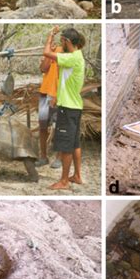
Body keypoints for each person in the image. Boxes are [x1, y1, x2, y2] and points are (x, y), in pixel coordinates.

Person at [43, 26, 85, 190]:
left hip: (67, 108)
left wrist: (50, 36)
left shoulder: (71, 58)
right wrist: (56, 96)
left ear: (67, 41)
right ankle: (78, 176)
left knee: (66, 146)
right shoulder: (77, 55)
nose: (61, 44)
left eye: (62, 41)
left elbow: (46, 53)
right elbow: (64, 79)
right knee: (75, 144)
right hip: (74, 105)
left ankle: (64, 181)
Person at [36, 38, 63, 169]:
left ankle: (59, 157)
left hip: (59, 94)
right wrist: (48, 54)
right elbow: (43, 69)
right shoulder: (50, 51)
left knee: (59, 127)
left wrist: (58, 95)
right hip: (44, 92)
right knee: (42, 126)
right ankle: (43, 156)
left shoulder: (67, 53)